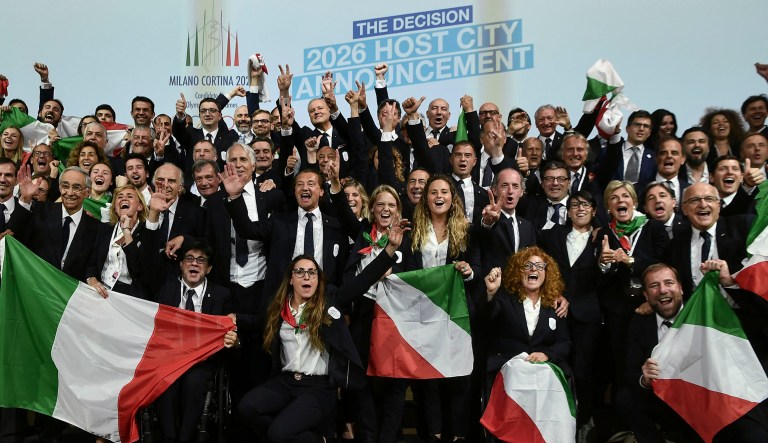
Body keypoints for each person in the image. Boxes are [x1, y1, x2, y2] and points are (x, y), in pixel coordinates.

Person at [235, 222, 406, 443]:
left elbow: (362, 282)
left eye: (312, 273)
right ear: (291, 279)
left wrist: (390, 249)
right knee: (247, 408)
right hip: (286, 382)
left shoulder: (330, 301)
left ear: (318, 279)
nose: (306, 277)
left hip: (318, 388)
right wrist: (233, 319)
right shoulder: (279, 308)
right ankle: (313, 438)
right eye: (300, 272)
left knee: (278, 433)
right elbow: (257, 322)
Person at [616, 263, 768, 443]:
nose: (663, 290)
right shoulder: (640, 323)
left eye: (669, 283)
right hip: (675, 406)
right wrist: (645, 379)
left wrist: (728, 282)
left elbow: (760, 318)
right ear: (646, 295)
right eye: (654, 286)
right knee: (626, 398)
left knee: (756, 436)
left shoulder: (707, 313)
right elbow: (630, 372)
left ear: (681, 288)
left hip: (717, 404)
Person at [401, 174, 478, 442]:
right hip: (423, 315)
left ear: (452, 197)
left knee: (458, 379)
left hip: (456, 316)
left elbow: (477, 267)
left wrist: (469, 272)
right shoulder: (413, 231)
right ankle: (432, 435)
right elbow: (409, 271)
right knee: (429, 380)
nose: (438, 196)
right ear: (425, 199)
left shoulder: (465, 231)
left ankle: (457, 435)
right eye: (433, 192)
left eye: (444, 191)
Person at [539, 191, 601, 434]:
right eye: (575, 205)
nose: (580, 208)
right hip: (556, 312)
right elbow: (542, 264)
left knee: (584, 372)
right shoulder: (553, 235)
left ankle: (583, 422)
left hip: (588, 316)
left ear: (594, 211)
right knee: (556, 366)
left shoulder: (602, 238)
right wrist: (553, 292)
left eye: (586, 204)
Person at [596, 180, 668, 389]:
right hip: (617, 309)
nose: (620, 201)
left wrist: (630, 260)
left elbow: (663, 263)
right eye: (614, 198)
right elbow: (601, 278)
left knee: (650, 359)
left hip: (649, 306)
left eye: (625, 196)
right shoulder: (605, 234)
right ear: (608, 207)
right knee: (621, 361)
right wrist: (604, 263)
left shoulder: (653, 227)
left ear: (634, 202)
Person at [482, 246, 571, 401]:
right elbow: (486, 318)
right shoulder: (504, 299)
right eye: (527, 265)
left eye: (539, 266)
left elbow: (564, 343)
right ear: (519, 272)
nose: (533, 270)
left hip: (544, 370)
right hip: (509, 368)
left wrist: (546, 355)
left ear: (546, 273)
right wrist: (490, 294)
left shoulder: (555, 304)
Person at [85, 184, 148, 300]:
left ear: (139, 206)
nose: (124, 199)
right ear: (115, 207)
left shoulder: (147, 233)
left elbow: (140, 270)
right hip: (102, 290)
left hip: (130, 296)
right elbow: (91, 261)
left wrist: (126, 231)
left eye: (130, 196)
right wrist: (91, 279)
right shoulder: (104, 229)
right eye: (119, 197)